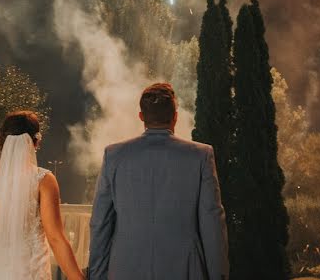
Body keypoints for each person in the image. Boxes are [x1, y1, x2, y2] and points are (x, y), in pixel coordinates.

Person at [88, 83, 229, 280]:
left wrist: (96, 275)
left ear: (141, 117)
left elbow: (100, 223)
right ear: (175, 117)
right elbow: (212, 223)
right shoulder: (201, 156)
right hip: (185, 270)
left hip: (125, 269)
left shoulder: (114, 155)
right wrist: (218, 276)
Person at [0, 111, 84, 280]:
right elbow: (55, 238)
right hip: (30, 272)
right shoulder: (43, 180)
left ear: (2, 139)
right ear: (35, 142)